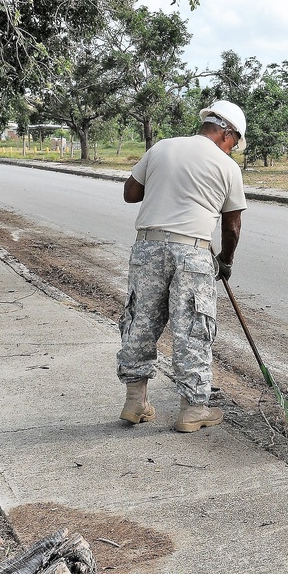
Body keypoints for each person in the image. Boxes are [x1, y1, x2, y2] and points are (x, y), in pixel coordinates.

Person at [117, 100, 247, 433]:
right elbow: (231, 226)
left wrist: (166, 186)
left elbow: (131, 193)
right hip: (192, 253)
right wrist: (226, 262)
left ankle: (135, 401)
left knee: (140, 320)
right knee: (192, 328)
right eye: (234, 142)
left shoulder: (162, 148)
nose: (232, 149)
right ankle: (192, 410)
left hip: (147, 247)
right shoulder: (227, 167)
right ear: (225, 133)